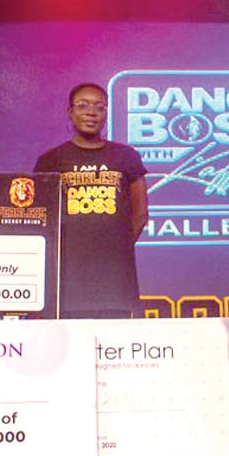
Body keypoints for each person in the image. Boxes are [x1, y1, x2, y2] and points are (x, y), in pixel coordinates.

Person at [34, 83, 148, 318]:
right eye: (83, 106)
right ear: (70, 112)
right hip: (68, 275)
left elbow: (140, 215)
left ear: (106, 113)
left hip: (115, 276)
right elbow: (41, 216)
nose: (91, 112)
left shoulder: (126, 156)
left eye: (99, 107)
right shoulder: (51, 160)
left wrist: (116, 247)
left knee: (114, 336)